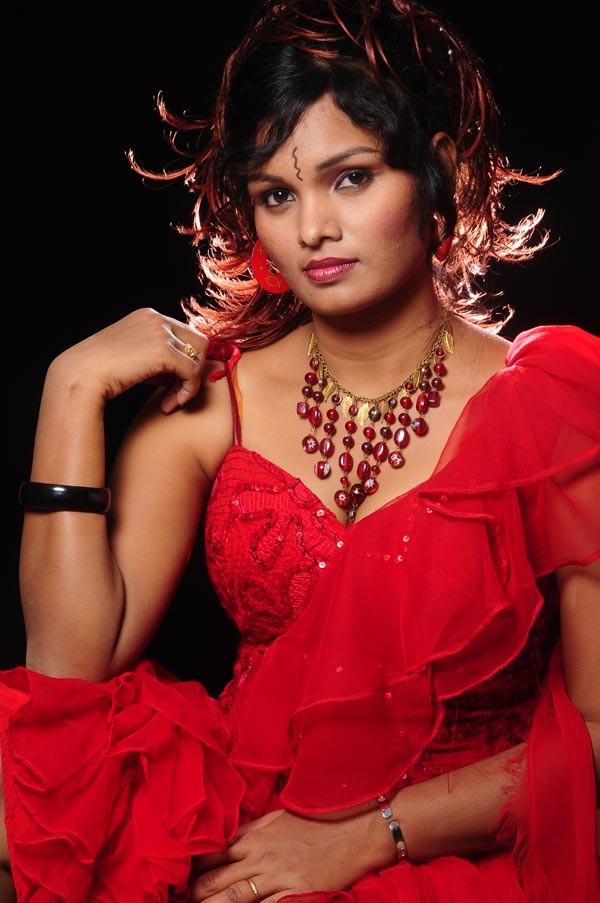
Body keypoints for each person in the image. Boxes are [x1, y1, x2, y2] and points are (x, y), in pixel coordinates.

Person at [1, 0, 599, 901]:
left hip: (459, 848)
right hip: (246, 829)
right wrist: (70, 387)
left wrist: (371, 836)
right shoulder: (215, 402)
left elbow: (596, 730)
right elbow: (66, 676)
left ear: (437, 171)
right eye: (277, 195)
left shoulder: (558, 406)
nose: (313, 227)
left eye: (350, 178)